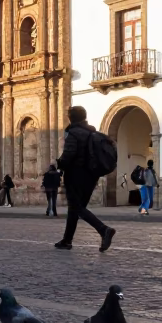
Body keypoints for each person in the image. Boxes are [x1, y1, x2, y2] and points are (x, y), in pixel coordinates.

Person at [55, 106, 115, 252]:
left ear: (71, 117)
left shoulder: (73, 133)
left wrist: (59, 163)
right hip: (91, 176)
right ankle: (67, 240)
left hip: (75, 175)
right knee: (75, 208)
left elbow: (69, 154)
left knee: (76, 207)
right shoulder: (92, 132)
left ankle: (103, 229)